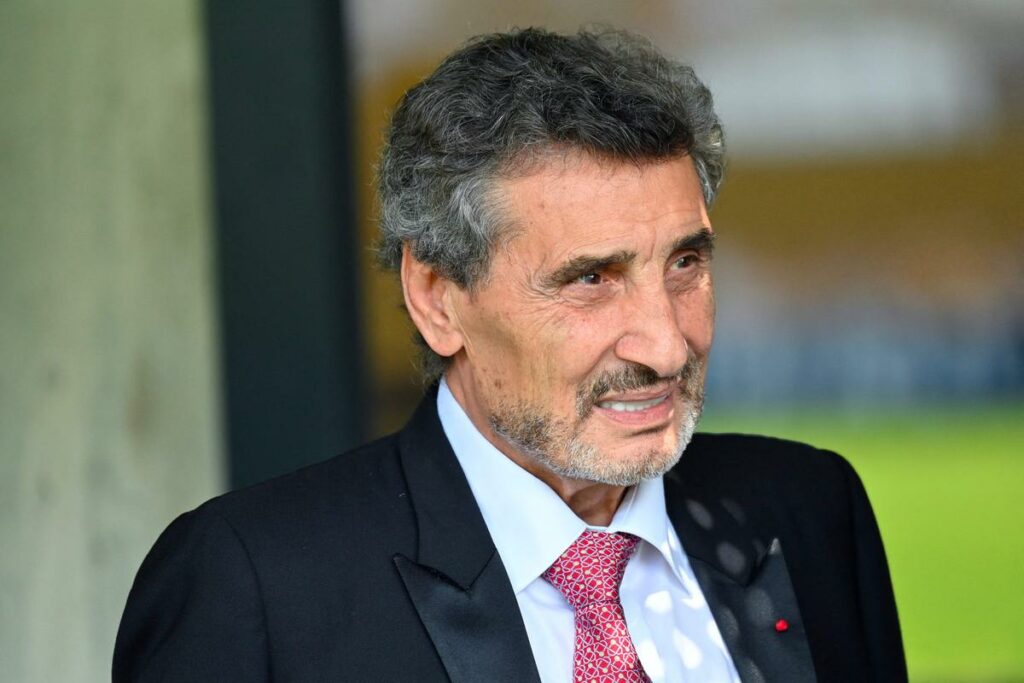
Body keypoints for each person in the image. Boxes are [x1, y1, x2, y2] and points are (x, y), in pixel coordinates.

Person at [114, 28, 906, 682]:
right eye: (592, 279)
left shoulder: (807, 509)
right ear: (437, 296)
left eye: (685, 263)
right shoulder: (256, 585)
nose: (666, 343)